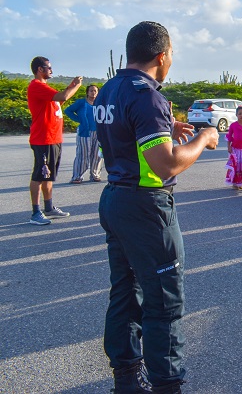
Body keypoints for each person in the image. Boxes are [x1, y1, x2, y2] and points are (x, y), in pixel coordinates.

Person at [95, 21, 219, 394]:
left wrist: (167, 123)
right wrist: (203, 137)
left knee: (124, 290)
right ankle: (168, 385)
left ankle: (127, 379)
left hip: (115, 199)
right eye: (172, 56)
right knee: (163, 301)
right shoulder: (147, 94)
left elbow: (127, 129)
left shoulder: (110, 89)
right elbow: (165, 164)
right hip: (147, 206)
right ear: (162, 55)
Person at [26, 56, 83, 225]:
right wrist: (76, 86)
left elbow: (59, 98)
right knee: (39, 175)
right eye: (48, 67)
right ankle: (35, 212)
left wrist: (71, 86)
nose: (51, 70)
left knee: (48, 176)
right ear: (39, 69)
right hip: (43, 139)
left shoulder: (44, 87)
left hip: (53, 139)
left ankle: (49, 207)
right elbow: (63, 97)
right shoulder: (36, 86)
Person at [65, 84, 103, 184]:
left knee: (97, 155)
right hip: (85, 132)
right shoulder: (81, 102)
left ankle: (95, 174)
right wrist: (79, 119)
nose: (93, 93)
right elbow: (68, 111)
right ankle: (77, 176)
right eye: (91, 91)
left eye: (95, 91)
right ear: (87, 92)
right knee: (83, 154)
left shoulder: (100, 103)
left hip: (99, 132)